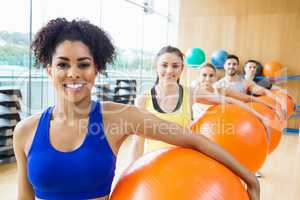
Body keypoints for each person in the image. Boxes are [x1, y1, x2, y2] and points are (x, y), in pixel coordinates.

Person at [13, 18, 259, 200]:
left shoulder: (119, 117)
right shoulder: (25, 131)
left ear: (96, 69)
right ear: (49, 70)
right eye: (63, 64)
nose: (74, 73)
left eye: (84, 64)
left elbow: (192, 139)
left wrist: (248, 178)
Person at [214, 55, 286, 119]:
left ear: (237, 66)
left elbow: (264, 91)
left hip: (241, 117)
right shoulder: (218, 84)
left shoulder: (245, 82)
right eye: (229, 64)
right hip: (226, 117)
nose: (231, 66)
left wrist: (280, 103)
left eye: (234, 64)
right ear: (224, 66)